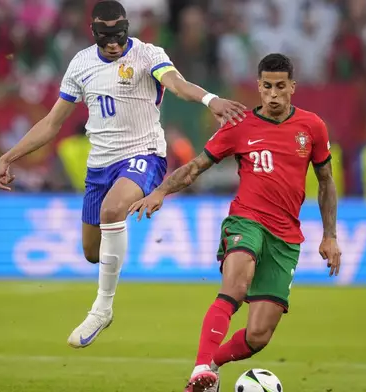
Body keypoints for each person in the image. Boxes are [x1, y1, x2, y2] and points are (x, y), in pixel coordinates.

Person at [0, 0, 246, 349]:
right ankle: (106, 281)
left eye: (119, 36)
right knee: (92, 253)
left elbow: (177, 84)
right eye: (105, 37)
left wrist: (210, 100)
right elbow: (52, 123)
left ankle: (102, 308)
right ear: (94, 33)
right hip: (100, 166)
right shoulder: (80, 65)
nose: (113, 44)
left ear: (127, 28)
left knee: (113, 211)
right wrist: (10, 156)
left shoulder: (147, 54)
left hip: (144, 155)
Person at [128, 53, 342, 392]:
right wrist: (160, 192)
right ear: (258, 87)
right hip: (246, 220)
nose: (273, 94)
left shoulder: (312, 127)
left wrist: (330, 236)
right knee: (236, 287)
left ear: (293, 88)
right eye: (267, 87)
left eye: (281, 87)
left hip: (286, 236)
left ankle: (212, 365)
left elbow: (326, 180)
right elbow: (197, 166)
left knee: (258, 335)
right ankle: (200, 368)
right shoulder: (239, 126)